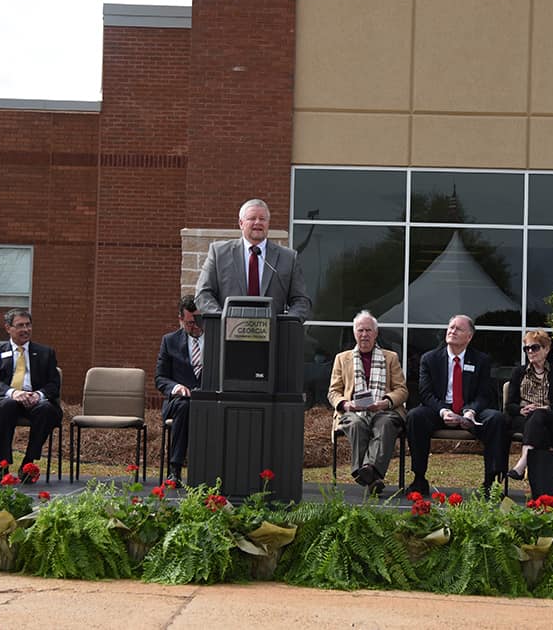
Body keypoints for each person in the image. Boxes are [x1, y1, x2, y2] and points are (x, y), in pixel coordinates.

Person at [405, 314, 507, 497]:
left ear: (469, 337)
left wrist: (471, 411)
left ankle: (490, 482)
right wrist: (443, 411)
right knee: (415, 416)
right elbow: (426, 394)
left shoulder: (481, 360)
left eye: (458, 329)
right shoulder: (430, 358)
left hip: (470, 410)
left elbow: (485, 394)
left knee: (496, 419)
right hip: (439, 410)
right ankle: (419, 478)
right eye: (450, 327)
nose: (452, 331)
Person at [327, 310, 409, 496]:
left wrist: (384, 402)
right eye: (360, 330)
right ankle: (372, 475)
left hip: (383, 411)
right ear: (354, 332)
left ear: (376, 333)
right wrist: (346, 404)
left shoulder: (391, 357)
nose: (364, 334)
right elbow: (333, 391)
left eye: (368, 330)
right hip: (353, 411)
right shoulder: (342, 358)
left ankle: (366, 471)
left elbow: (402, 390)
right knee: (356, 424)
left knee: (385, 423)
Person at [195, 198, 311, 322]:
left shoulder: (288, 258)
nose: (258, 222)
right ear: (241, 223)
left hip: (273, 336)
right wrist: (223, 320)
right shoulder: (219, 253)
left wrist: (286, 323)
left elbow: (301, 301)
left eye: (262, 219)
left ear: (268, 223)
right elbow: (203, 294)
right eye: (252, 218)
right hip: (228, 335)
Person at [0, 308, 62, 483]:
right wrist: (13, 393)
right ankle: (3, 465)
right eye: (20, 326)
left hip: (34, 402)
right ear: (8, 328)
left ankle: (28, 463)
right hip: (6, 400)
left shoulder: (45, 353)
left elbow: (54, 384)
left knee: (46, 409)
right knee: (7, 405)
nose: (25, 329)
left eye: (28, 325)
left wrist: (38, 395)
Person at [504, 329, 553, 481]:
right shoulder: (518, 373)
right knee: (538, 423)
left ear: (546, 349)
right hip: (526, 419)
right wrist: (522, 409)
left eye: (534, 347)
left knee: (539, 414)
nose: (530, 351)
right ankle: (541, 483)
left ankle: (522, 463)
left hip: (551, 417)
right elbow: (509, 405)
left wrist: (547, 408)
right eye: (527, 348)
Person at [154, 295, 204, 486]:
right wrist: (175, 387)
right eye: (190, 323)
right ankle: (175, 469)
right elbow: (159, 379)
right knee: (184, 406)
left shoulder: (215, 340)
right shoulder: (170, 341)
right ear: (181, 320)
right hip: (178, 401)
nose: (196, 326)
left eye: (199, 321)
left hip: (205, 399)